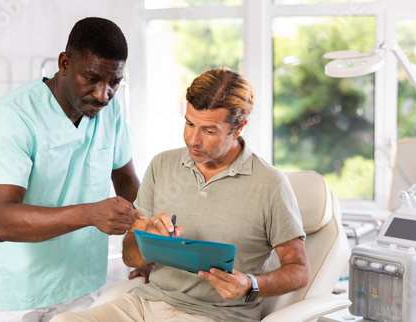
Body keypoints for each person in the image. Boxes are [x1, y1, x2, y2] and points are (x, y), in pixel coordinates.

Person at [52, 67, 311, 322]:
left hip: (218, 315)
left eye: (209, 131)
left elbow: (299, 270)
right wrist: (148, 237)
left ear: (238, 128)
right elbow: (130, 257)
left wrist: (250, 284)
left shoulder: (271, 184)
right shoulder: (161, 165)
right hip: (146, 303)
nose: (192, 140)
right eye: (189, 123)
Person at [0, 17, 144, 322]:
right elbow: (1, 221)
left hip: (80, 283)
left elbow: (126, 181)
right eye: (92, 78)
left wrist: (150, 246)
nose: (103, 94)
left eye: (114, 82)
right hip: (8, 292)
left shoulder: (110, 111)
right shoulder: (11, 117)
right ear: (64, 64)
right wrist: (90, 214)